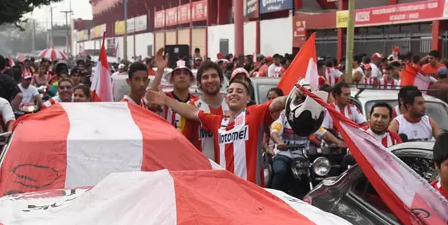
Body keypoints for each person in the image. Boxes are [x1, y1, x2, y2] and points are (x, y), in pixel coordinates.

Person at [147, 79, 287, 184]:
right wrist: (166, 100)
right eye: (230, 91)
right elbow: (194, 112)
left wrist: (293, 95)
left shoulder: (255, 113)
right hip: (225, 190)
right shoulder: (218, 122)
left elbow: (275, 104)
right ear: (226, 98)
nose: (233, 94)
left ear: (248, 99)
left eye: (239, 91)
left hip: (251, 191)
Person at [315, 81, 365, 148]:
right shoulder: (328, 110)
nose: (349, 97)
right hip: (333, 149)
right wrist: (338, 142)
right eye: (346, 95)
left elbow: (364, 125)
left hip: (352, 146)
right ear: (336, 95)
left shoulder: (353, 108)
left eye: (349, 94)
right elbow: (321, 130)